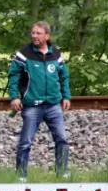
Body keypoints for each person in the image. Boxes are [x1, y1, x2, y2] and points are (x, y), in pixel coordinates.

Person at [8, 21, 71, 181]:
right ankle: (21, 176)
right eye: (33, 33)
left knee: (62, 139)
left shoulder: (56, 54)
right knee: (25, 143)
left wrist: (66, 96)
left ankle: (62, 173)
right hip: (32, 107)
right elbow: (13, 75)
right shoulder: (24, 54)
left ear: (47, 36)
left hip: (53, 106)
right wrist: (14, 96)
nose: (34, 36)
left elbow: (64, 76)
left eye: (38, 33)